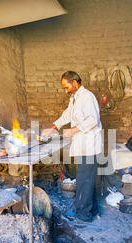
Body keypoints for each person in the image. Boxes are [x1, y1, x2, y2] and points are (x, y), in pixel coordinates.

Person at [41, 71, 103, 223]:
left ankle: (83, 215)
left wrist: (73, 130)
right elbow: (67, 115)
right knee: (87, 180)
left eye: (66, 86)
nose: (65, 89)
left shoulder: (87, 97)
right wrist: (53, 127)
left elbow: (93, 120)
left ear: (75, 83)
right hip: (83, 145)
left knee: (83, 181)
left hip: (90, 146)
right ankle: (92, 210)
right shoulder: (74, 98)